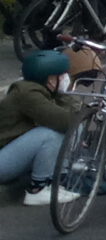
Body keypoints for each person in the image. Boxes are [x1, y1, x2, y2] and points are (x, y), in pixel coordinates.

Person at [2, 48, 78, 206]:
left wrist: (61, 95)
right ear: (50, 78)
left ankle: (56, 178)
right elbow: (65, 121)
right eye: (62, 75)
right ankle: (38, 189)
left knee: (57, 131)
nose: (66, 78)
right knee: (49, 134)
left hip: (7, 153)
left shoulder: (37, 89)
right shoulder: (28, 94)